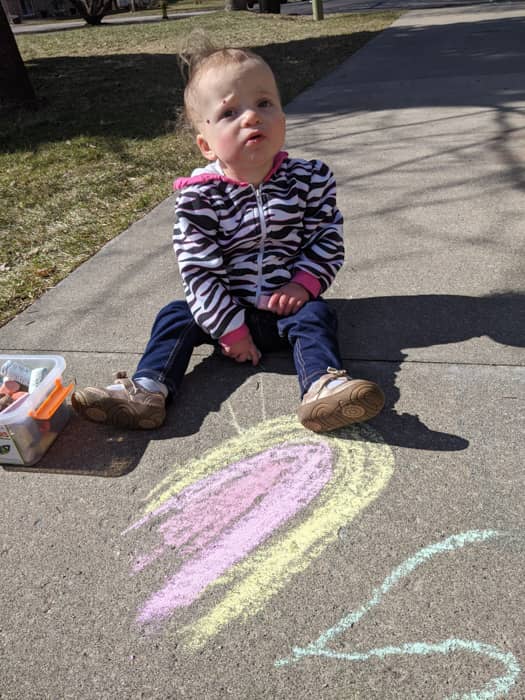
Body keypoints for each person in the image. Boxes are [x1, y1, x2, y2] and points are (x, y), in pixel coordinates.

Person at [72, 45, 385, 432]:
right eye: (229, 112)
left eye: (265, 103)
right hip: (222, 311)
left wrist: (302, 285)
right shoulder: (200, 198)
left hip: (284, 304)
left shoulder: (309, 180)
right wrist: (229, 329)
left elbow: (326, 237)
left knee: (317, 315)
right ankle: (149, 387)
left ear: (283, 121)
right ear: (206, 145)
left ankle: (323, 386)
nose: (252, 116)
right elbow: (198, 271)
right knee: (175, 315)